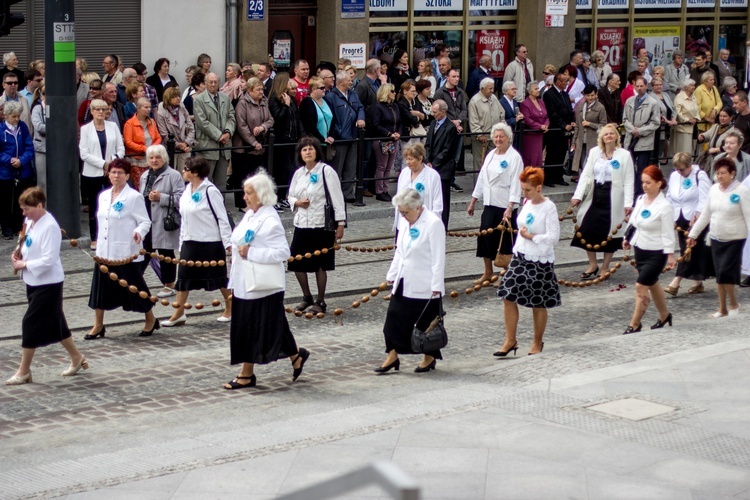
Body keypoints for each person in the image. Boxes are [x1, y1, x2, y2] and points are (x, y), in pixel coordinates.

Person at [224, 171, 310, 389]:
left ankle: (246, 373)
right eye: (245, 192)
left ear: (261, 195)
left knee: (252, 328)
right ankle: (295, 356)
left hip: (261, 285)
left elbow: (282, 252)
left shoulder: (270, 219)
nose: (245, 197)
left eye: (249, 193)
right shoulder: (251, 214)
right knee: (273, 325)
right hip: (245, 281)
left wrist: (250, 253)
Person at [6, 188, 88, 385]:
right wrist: (19, 254)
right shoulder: (31, 221)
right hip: (33, 280)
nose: (24, 213)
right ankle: (77, 358)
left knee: (30, 323)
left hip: (48, 282)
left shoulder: (50, 226)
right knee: (56, 323)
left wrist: (24, 264)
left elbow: (49, 260)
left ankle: (23, 371)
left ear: (40, 206)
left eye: (27, 209)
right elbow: (28, 244)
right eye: (22, 209)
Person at [86, 159, 158, 339]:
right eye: (113, 172)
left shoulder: (134, 197)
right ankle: (98, 324)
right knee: (100, 290)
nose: (116, 176)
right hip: (104, 252)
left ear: (127, 176)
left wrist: (138, 232)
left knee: (134, 288)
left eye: (120, 173)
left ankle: (150, 318)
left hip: (125, 252)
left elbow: (145, 221)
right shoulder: (102, 196)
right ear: (108, 174)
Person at [377, 188, 445, 374]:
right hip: (404, 279)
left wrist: (437, 285)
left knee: (425, 324)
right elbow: (400, 250)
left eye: (405, 212)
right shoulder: (406, 221)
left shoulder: (433, 224)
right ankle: (392, 355)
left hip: (425, 283)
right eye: (401, 212)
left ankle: (429, 356)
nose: (403, 216)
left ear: (417, 207)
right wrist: (392, 274)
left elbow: (439, 257)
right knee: (392, 321)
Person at [496, 167, 561, 356]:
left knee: (538, 303)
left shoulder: (549, 207)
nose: (524, 193)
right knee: (507, 294)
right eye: (523, 189)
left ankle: (537, 342)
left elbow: (554, 237)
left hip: (540, 259)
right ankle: (510, 340)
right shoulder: (527, 202)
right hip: (521, 255)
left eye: (528, 190)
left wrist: (532, 236)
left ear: (539, 188)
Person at [163, 156, 233, 327]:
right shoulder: (188, 190)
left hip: (210, 242)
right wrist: (181, 243)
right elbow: (184, 219)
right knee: (184, 277)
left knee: (218, 277)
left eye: (185, 169)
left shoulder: (210, 191)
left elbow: (222, 218)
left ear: (195, 172)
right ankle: (178, 313)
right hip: (190, 241)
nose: (183, 172)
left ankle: (231, 307)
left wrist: (228, 243)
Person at [287, 137, 346, 315]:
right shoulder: (298, 173)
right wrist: (297, 202)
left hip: (321, 224)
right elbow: (289, 196)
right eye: (304, 150)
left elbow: (337, 198)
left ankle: (321, 300)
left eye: (311, 149)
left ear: (317, 151)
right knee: (296, 262)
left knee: (320, 264)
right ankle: (307, 296)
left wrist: (341, 224)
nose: (308, 152)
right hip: (302, 224)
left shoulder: (326, 171)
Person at [571, 124, 635, 280]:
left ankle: (605, 267)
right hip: (596, 195)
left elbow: (628, 180)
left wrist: (628, 203)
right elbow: (586, 175)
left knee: (611, 232)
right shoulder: (594, 153)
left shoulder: (624, 155)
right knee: (586, 227)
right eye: (606, 133)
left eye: (612, 133)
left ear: (616, 137)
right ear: (601, 137)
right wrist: (578, 195)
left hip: (614, 197)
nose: (609, 136)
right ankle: (593, 264)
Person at [688, 157, 750, 317]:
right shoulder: (714, 189)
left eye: (723, 173)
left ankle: (733, 303)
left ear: (732, 173)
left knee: (725, 272)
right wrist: (693, 234)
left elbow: (749, 216)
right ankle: (722, 308)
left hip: (735, 237)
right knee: (719, 274)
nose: (720, 176)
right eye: (717, 173)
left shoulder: (742, 191)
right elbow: (706, 215)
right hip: (715, 236)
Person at [622, 166, 677, 333]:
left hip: (656, 252)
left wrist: (670, 255)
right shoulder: (640, 200)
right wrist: (627, 238)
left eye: (648, 182)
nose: (644, 185)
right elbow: (633, 222)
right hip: (641, 248)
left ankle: (635, 323)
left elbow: (668, 233)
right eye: (643, 182)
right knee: (652, 284)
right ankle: (664, 315)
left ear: (658, 183)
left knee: (641, 285)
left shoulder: (665, 206)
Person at [467, 123, 523, 284]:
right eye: (496, 136)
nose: (498, 139)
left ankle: (506, 273)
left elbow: (516, 183)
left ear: (508, 138)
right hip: (490, 202)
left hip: (505, 204)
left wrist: (511, 206)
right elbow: (482, 178)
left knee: (505, 240)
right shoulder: (491, 154)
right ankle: (488, 271)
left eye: (501, 136)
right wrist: (473, 200)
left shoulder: (514, 157)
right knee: (485, 236)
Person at [137, 145, 184, 298]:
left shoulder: (174, 175)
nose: (154, 160)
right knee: (144, 251)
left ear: (164, 158)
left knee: (165, 252)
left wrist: (161, 197)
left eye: (158, 157)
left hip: (164, 220)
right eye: (151, 157)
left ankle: (169, 285)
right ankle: (135, 280)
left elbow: (181, 199)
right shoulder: (145, 175)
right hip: (147, 219)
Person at [664, 152, 712, 297]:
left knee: (689, 251)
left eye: (683, 169)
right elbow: (669, 196)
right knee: (687, 249)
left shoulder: (700, 175)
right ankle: (698, 283)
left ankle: (675, 283)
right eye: (678, 169)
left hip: (695, 219)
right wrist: (670, 214)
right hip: (679, 218)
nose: (680, 172)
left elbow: (705, 199)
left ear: (690, 165)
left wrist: (697, 216)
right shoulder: (674, 176)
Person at [79, 99, 124, 250]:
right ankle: (95, 237)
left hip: (112, 172)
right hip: (92, 173)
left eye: (103, 109)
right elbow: (84, 153)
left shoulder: (113, 126)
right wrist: (103, 164)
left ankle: (113, 235)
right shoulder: (86, 129)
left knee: (113, 203)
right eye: (97, 109)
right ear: (91, 111)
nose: (100, 112)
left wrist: (111, 163)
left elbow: (120, 148)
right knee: (95, 205)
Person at [230, 77, 274, 211]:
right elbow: (241, 125)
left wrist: (262, 128)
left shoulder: (264, 101)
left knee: (256, 176)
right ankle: (243, 204)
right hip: (243, 147)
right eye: (258, 89)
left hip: (260, 146)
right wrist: (253, 142)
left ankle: (256, 201)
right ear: (249, 90)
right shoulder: (242, 103)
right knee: (243, 176)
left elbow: (270, 120)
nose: (262, 92)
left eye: (262, 89)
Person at [325, 70, 366, 203]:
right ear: (341, 82)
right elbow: (331, 118)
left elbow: (360, 108)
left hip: (353, 135)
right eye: (349, 79)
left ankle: (348, 194)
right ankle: (334, 194)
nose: (352, 81)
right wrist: (338, 132)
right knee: (338, 167)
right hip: (340, 138)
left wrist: (360, 118)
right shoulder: (331, 96)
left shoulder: (353, 94)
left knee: (351, 166)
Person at [193, 72, 236, 190]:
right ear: (205, 84)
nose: (213, 84)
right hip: (208, 146)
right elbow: (202, 122)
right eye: (210, 82)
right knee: (205, 181)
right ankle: (205, 207)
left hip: (223, 147)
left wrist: (228, 133)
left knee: (221, 182)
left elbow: (231, 116)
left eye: (215, 82)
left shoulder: (225, 98)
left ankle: (220, 207)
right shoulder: (199, 100)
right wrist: (219, 136)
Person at [0, 100, 35, 240]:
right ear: (6, 115)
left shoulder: (23, 127)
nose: (16, 119)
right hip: (5, 172)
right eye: (13, 116)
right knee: (5, 201)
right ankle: (6, 229)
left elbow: (29, 147)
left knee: (20, 200)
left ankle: (17, 227)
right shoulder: (1, 129)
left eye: (18, 116)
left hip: (23, 170)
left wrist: (22, 160)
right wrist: (9, 160)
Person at [268, 73, 304, 205]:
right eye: (288, 81)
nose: (291, 82)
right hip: (280, 138)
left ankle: (283, 196)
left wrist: (301, 135)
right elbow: (278, 118)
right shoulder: (274, 99)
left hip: (292, 138)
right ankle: (276, 197)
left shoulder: (291, 99)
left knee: (290, 169)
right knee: (281, 169)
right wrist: (286, 105)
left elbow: (297, 118)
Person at [623, 76, 661, 196]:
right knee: (629, 168)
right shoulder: (629, 101)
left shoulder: (653, 103)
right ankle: (631, 191)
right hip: (630, 139)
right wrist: (632, 129)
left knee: (641, 169)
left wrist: (641, 131)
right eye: (637, 86)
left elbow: (655, 122)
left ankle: (639, 193)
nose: (639, 88)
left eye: (641, 86)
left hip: (645, 141)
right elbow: (625, 119)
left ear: (646, 86)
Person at [425, 99, 457, 229]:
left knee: (443, 198)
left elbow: (447, 150)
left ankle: (443, 226)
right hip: (431, 165)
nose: (433, 114)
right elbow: (428, 144)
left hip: (443, 168)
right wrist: (427, 160)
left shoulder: (450, 127)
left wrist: (434, 164)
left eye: (435, 112)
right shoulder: (433, 123)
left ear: (443, 112)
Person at [395, 143, 442, 231]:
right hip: (404, 224)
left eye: (411, 159)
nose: (407, 162)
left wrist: (434, 224)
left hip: (424, 224)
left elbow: (437, 203)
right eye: (406, 159)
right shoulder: (404, 173)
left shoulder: (433, 175)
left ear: (420, 159)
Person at [368, 83, 401, 202]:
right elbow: (376, 124)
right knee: (382, 166)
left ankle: (385, 189)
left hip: (393, 139)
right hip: (382, 139)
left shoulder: (395, 106)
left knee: (389, 166)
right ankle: (379, 190)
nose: (395, 93)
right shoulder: (378, 107)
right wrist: (389, 134)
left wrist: (398, 133)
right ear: (387, 92)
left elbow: (399, 122)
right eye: (392, 91)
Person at [543, 72, 575, 187]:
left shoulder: (565, 94)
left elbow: (569, 109)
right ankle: (548, 178)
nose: (567, 83)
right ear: (558, 82)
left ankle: (558, 176)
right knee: (552, 153)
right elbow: (552, 113)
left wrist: (572, 121)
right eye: (565, 81)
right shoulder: (549, 94)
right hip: (554, 129)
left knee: (562, 153)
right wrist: (563, 124)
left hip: (565, 130)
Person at [123, 97, 162, 191]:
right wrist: (144, 148)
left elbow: (158, 137)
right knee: (139, 186)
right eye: (146, 107)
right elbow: (128, 142)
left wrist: (153, 148)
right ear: (138, 108)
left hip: (150, 158)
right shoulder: (129, 123)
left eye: (149, 107)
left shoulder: (151, 121)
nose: (149, 109)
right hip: (136, 160)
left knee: (152, 185)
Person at [571, 84, 607, 181]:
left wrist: (590, 124)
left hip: (594, 140)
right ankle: (583, 182)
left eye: (592, 95)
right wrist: (573, 142)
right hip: (581, 139)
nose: (590, 97)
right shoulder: (580, 106)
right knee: (581, 163)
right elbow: (578, 126)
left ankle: (590, 182)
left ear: (596, 95)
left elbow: (603, 126)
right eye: (588, 95)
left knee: (591, 163)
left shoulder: (600, 107)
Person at [155, 86, 194, 172]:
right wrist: (178, 145)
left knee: (184, 176)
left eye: (178, 96)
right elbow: (164, 134)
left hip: (185, 148)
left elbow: (191, 128)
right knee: (171, 175)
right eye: (174, 97)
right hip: (170, 149)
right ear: (168, 98)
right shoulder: (161, 112)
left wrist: (186, 143)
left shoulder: (182, 107)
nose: (178, 98)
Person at [468, 78, 504, 171]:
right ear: (482, 88)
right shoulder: (474, 101)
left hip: (494, 136)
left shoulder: (494, 98)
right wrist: (479, 134)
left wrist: (502, 128)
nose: (492, 91)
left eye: (493, 88)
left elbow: (501, 113)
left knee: (493, 162)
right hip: (481, 138)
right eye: (490, 89)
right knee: (480, 163)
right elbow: (473, 120)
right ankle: (479, 185)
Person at [300, 76, 336, 157]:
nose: (324, 90)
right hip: (315, 143)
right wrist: (322, 139)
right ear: (313, 89)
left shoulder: (327, 100)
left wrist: (331, 136)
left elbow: (332, 119)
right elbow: (310, 125)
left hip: (328, 142)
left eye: (324, 87)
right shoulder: (307, 102)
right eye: (322, 88)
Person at [518, 81, 548, 168]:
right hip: (531, 135)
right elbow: (527, 120)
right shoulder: (525, 104)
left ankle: (537, 178)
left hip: (540, 135)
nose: (538, 90)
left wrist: (546, 125)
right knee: (531, 159)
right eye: (535, 89)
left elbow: (546, 116)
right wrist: (540, 126)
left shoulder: (541, 102)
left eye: (538, 88)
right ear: (529, 91)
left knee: (538, 159)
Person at [649, 77, 677, 164]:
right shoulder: (650, 97)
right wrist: (666, 121)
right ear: (652, 86)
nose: (659, 86)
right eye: (656, 85)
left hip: (668, 126)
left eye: (660, 85)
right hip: (658, 127)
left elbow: (673, 108)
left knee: (664, 144)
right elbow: (656, 112)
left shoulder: (666, 95)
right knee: (657, 150)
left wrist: (673, 118)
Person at [673, 78, 700, 156]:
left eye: (694, 85)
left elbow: (697, 109)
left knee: (691, 149)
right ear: (685, 87)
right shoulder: (679, 97)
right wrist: (688, 120)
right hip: (683, 127)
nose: (694, 87)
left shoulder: (694, 96)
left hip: (693, 126)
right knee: (684, 150)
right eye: (692, 85)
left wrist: (696, 118)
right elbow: (677, 112)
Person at [30, 84, 46, 192]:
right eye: (45, 93)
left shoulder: (58, 107)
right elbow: (39, 126)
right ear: (41, 95)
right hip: (41, 149)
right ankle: (43, 206)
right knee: (42, 181)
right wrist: (55, 127)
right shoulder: (37, 108)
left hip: (57, 149)